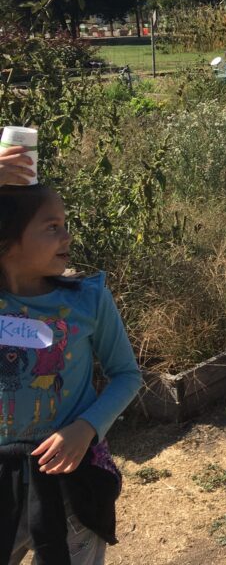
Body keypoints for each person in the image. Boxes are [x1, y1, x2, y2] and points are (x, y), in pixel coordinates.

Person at [0, 184, 142, 564]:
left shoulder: (88, 299)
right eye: (51, 227)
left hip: (71, 484)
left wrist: (86, 429)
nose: (67, 236)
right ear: (7, 240)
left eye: (64, 224)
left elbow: (126, 375)